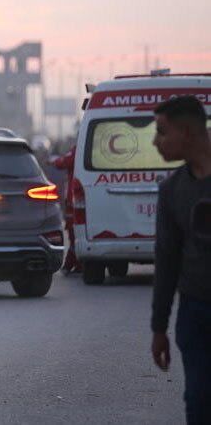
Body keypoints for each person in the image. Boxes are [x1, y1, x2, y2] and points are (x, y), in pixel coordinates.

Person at [149, 95, 211, 424]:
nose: (155, 142)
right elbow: (167, 260)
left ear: (186, 132)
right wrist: (159, 327)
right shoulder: (172, 191)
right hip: (196, 312)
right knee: (199, 400)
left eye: (162, 132)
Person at [51, 145, 80, 274]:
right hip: (76, 195)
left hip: (74, 196)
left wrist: (54, 161)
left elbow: (64, 162)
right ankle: (74, 262)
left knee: (73, 230)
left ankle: (74, 262)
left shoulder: (77, 149)